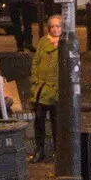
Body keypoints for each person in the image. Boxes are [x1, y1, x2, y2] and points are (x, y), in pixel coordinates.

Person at [28, 14, 63, 162]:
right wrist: (35, 80)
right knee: (39, 120)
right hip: (41, 88)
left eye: (58, 26)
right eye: (52, 26)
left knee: (57, 122)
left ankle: (58, 151)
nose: (55, 29)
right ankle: (40, 149)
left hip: (56, 89)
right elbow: (35, 62)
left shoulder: (65, 42)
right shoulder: (43, 42)